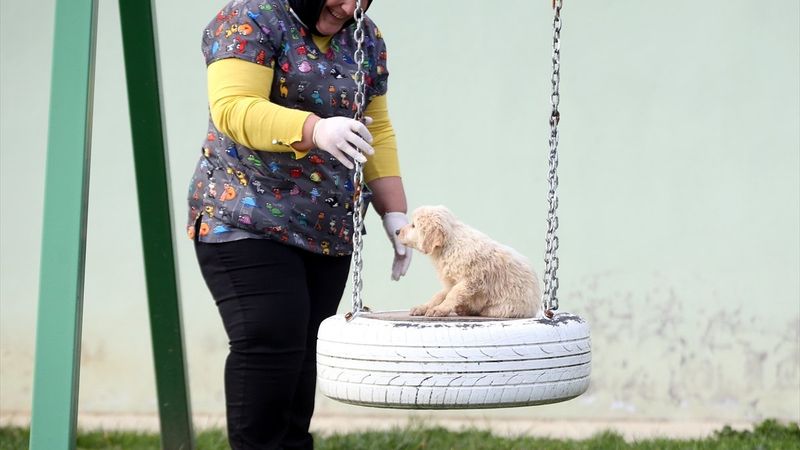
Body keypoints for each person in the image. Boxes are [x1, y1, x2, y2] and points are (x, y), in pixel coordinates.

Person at [185, 0, 411, 448]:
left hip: (326, 227)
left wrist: (394, 211)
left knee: (303, 353)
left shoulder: (366, 35)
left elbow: (377, 128)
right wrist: (317, 130)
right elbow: (233, 107)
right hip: (246, 215)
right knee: (272, 339)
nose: (349, 6)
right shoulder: (250, 18)